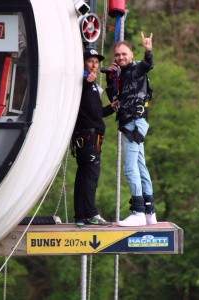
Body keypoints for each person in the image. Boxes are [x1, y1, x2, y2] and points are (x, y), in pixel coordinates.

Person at [105, 32, 157, 226]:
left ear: (131, 54)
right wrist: (111, 79)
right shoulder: (121, 74)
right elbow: (115, 100)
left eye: (124, 54)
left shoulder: (135, 69)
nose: (120, 58)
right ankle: (149, 211)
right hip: (132, 121)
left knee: (129, 167)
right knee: (140, 166)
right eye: (117, 55)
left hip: (134, 123)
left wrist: (148, 50)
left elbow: (147, 65)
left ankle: (138, 211)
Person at [72, 48, 118, 227]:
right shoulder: (83, 80)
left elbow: (95, 113)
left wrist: (110, 108)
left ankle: (80, 215)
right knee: (90, 177)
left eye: (96, 62)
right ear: (83, 63)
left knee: (83, 177)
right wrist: (85, 81)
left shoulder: (88, 83)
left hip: (85, 136)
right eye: (90, 61)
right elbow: (92, 111)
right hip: (89, 137)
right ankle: (90, 214)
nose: (94, 65)